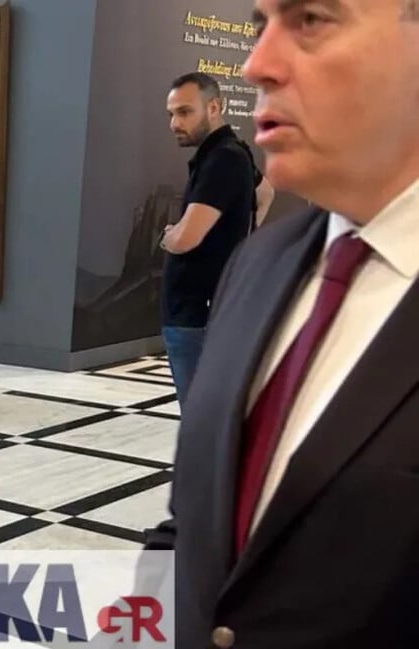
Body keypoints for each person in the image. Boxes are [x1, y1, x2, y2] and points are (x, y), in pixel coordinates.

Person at [146, 0, 419, 646]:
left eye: (312, 20)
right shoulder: (259, 262)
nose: (257, 65)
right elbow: (192, 519)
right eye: (259, 26)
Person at [159, 72, 257, 404]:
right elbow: (265, 194)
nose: (175, 123)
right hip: (205, 308)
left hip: (196, 313)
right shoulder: (231, 152)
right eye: (172, 114)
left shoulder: (223, 158)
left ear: (214, 107)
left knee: (199, 414)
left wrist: (169, 237)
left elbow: (186, 238)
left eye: (185, 112)